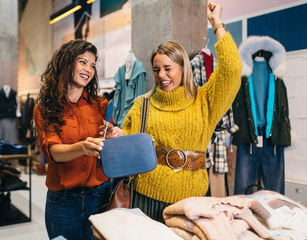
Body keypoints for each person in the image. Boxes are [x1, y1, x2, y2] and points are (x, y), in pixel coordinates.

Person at [101, 2, 242, 223]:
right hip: (146, 196)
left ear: (183, 68)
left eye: (168, 68)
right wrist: (117, 137)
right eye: (156, 69)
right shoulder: (142, 105)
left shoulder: (205, 101)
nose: (162, 75)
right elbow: (129, 147)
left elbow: (232, 69)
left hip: (191, 201)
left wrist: (216, 23)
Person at [33, 40, 111, 240]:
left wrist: (115, 135)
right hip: (63, 201)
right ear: (67, 63)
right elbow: (53, 152)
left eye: (92, 65)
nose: (89, 70)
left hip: (99, 195)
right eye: (83, 62)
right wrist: (82, 147)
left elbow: (110, 149)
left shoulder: (101, 104)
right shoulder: (45, 108)